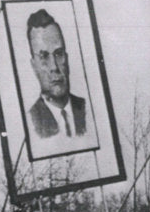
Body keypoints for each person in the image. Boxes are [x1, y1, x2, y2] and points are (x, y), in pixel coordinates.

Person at [24, 8, 96, 157]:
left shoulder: (89, 111)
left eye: (58, 54)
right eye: (44, 57)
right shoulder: (31, 121)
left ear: (66, 58)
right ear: (34, 66)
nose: (54, 67)